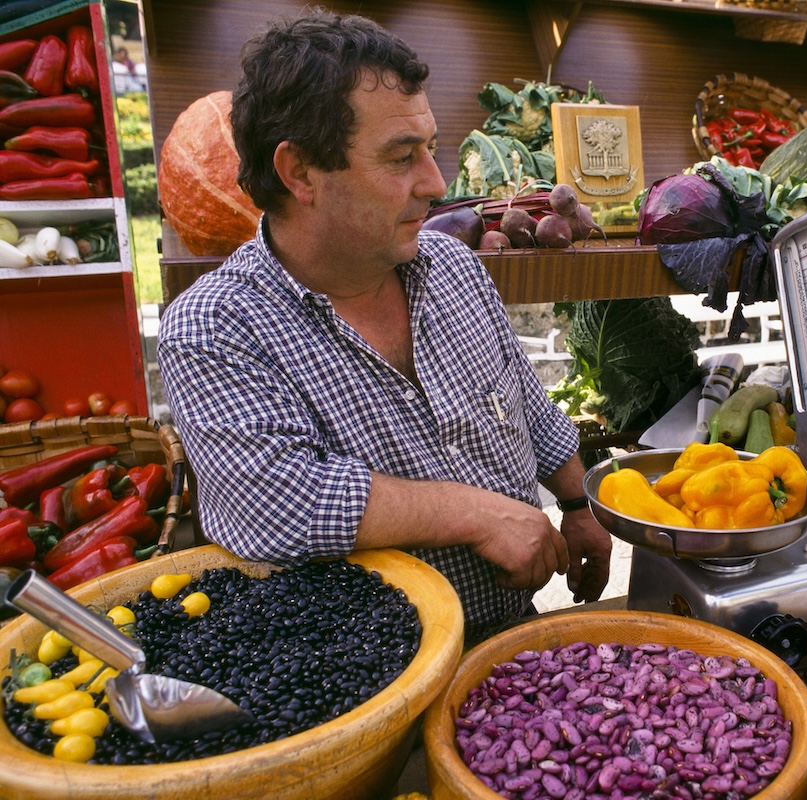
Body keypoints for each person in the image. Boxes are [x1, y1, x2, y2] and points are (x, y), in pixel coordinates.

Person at [156, 9, 612, 642]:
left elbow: (523, 400)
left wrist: (576, 502)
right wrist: (473, 514)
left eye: (430, 147)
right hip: (371, 673)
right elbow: (270, 505)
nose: (435, 182)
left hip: (508, 633)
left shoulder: (452, 266)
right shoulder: (215, 326)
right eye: (402, 158)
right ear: (300, 172)